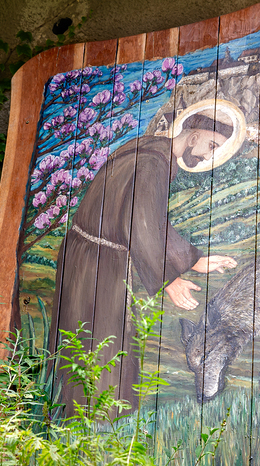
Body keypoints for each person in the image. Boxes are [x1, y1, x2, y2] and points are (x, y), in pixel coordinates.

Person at [49, 101, 244, 419]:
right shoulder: (154, 163)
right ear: (193, 136)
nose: (209, 156)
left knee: (85, 337)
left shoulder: (149, 149)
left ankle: (82, 415)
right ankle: (98, 418)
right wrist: (169, 279)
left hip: (88, 256)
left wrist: (193, 260)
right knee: (100, 340)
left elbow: (150, 219)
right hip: (98, 264)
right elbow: (141, 223)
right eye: (211, 145)